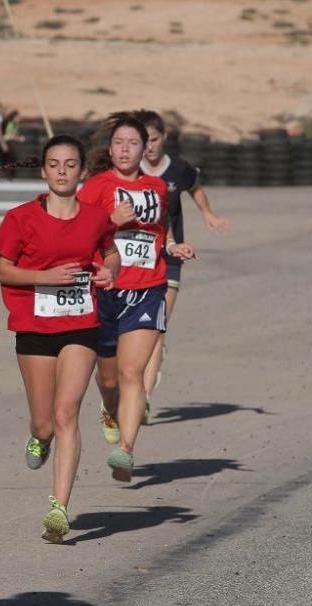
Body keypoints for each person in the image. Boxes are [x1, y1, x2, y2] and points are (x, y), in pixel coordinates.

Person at [0, 135, 119, 542]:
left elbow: (110, 252)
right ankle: (38, 436)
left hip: (80, 324)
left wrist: (108, 270)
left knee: (67, 414)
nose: (62, 172)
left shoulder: (97, 217)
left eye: (70, 165)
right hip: (34, 328)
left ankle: (59, 508)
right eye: (54, 164)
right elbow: (4, 271)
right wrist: (44, 277)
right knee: (46, 422)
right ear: (43, 170)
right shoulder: (20, 218)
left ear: (83, 171)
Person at [77, 113, 195, 482]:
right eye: (118, 143)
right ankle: (109, 410)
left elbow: (163, 227)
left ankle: (126, 450)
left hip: (148, 289)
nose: (125, 149)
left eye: (132, 143)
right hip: (106, 291)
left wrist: (173, 246)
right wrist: (111, 219)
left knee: (132, 373)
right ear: (109, 149)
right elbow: (76, 233)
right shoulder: (96, 187)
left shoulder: (157, 188)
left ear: (145, 148)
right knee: (108, 380)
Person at [137, 110, 229, 420]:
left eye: (153, 139)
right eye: (143, 141)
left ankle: (144, 397)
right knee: (137, 330)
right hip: (135, 259)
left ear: (163, 138)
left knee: (156, 327)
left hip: (171, 256)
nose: (148, 147)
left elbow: (196, 188)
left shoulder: (178, 169)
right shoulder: (128, 172)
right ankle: (144, 366)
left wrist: (208, 214)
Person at [1, 110, 25, 180]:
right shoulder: (11, 124)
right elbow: (9, 135)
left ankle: (11, 176)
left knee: (13, 160)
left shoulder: (16, 125)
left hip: (12, 144)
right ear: (14, 117)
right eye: (17, 117)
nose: (19, 119)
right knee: (11, 160)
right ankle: (9, 176)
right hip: (8, 143)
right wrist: (19, 138)